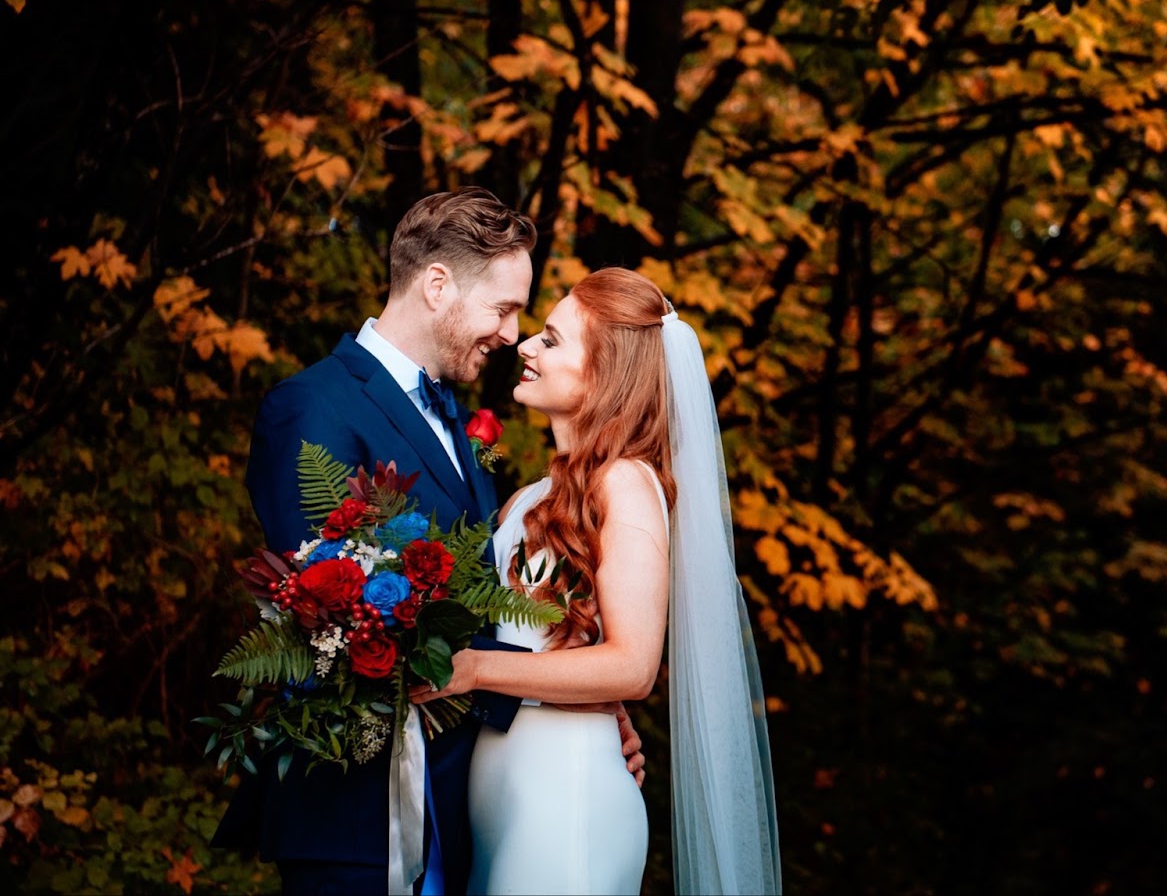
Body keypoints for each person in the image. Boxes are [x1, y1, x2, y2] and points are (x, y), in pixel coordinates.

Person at [211, 188, 644, 896]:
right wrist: (571, 693)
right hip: (358, 814)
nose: (511, 334)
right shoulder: (313, 406)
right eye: (504, 309)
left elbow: (478, 605)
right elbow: (347, 622)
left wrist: (583, 702)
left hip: (463, 804)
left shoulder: (459, 424)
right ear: (437, 284)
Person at [409, 267, 782, 894]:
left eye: (552, 340)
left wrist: (473, 670)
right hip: (500, 795)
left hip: (567, 799)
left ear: (606, 373)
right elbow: (550, 652)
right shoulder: (528, 499)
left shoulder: (626, 485)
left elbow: (632, 666)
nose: (525, 345)